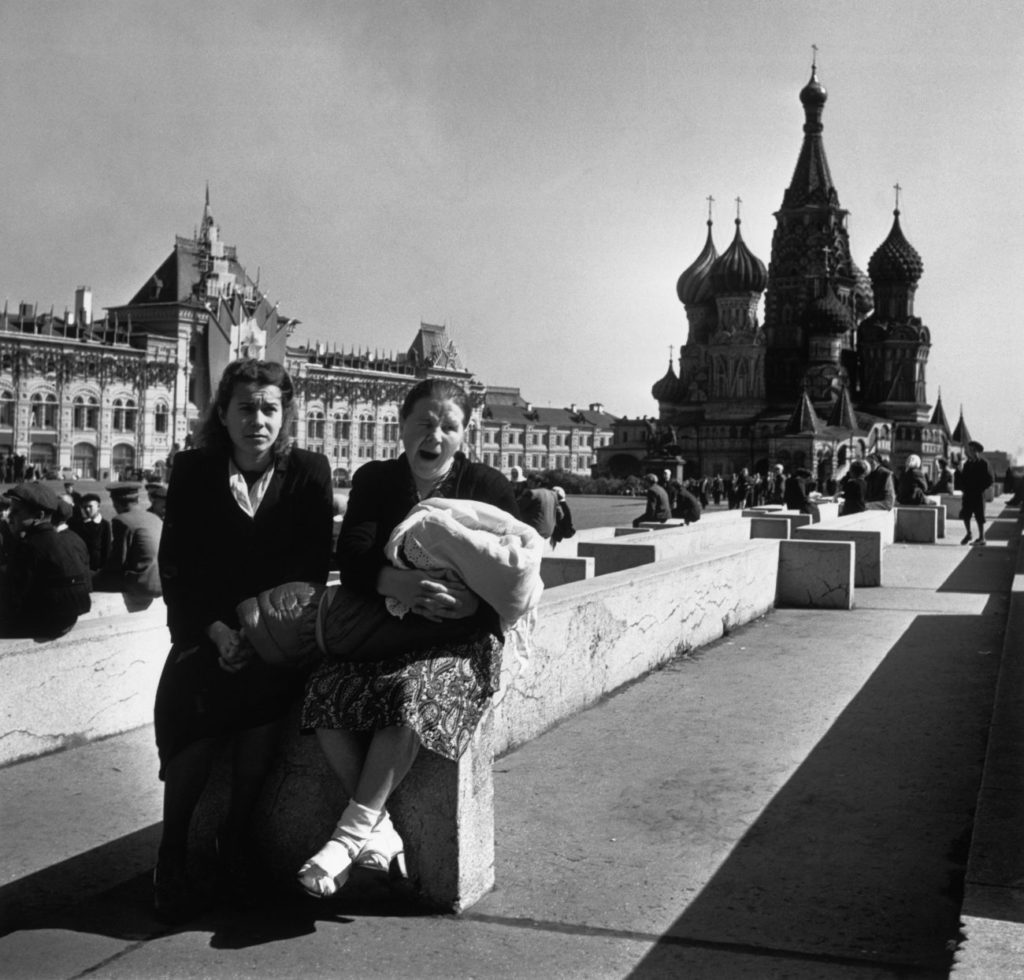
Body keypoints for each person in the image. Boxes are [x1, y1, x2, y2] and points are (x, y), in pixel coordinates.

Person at [298, 378, 518, 899]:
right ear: (402, 425)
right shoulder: (375, 480)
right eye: (424, 422)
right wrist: (392, 580)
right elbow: (352, 556)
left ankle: (349, 836)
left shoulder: (487, 487)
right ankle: (381, 831)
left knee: (410, 694)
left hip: (460, 642)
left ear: (465, 433)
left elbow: (518, 577)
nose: (435, 435)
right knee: (322, 691)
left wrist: (473, 603)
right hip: (388, 632)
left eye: (449, 426)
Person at [152, 358, 333, 922]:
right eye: (246, 408)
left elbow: (310, 567)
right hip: (207, 633)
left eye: (270, 409)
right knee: (194, 715)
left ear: (285, 416)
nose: (259, 420)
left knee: (261, 719)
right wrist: (216, 631)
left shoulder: (309, 471)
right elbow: (176, 567)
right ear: (223, 415)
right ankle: (172, 853)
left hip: (273, 636)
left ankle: (234, 843)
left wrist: (256, 635)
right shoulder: (192, 470)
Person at [0, 482, 91, 639]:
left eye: (16, 511)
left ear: (40, 515)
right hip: (65, 622)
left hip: (41, 626)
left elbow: (12, 602)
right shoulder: (67, 540)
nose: (10, 516)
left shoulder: (28, 547)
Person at [98, 483, 165, 608]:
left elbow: (117, 562)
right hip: (162, 583)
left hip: (141, 586)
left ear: (115, 503)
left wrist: (97, 575)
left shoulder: (121, 520)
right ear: (137, 499)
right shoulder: (154, 517)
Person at [959, 440, 994, 545]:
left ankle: (982, 538)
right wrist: (963, 487)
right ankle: (968, 533)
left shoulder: (984, 464)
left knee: (979, 516)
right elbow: (963, 478)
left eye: (971, 450)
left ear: (976, 451)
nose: (969, 452)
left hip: (978, 495)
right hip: (968, 494)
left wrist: (980, 488)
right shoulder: (967, 464)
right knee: (965, 514)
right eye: (969, 450)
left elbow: (990, 479)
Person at [69, 493, 113, 575]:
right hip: (82, 566)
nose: (87, 509)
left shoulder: (104, 524)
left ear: (98, 507)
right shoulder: (79, 524)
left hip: (97, 567)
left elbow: (106, 547)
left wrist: (104, 567)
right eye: (85, 507)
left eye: (90, 506)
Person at [515, 475, 558, 540]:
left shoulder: (532, 493)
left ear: (538, 484)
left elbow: (516, 507)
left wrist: (522, 494)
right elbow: (560, 514)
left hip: (535, 531)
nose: (528, 485)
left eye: (530, 483)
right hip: (549, 532)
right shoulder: (553, 494)